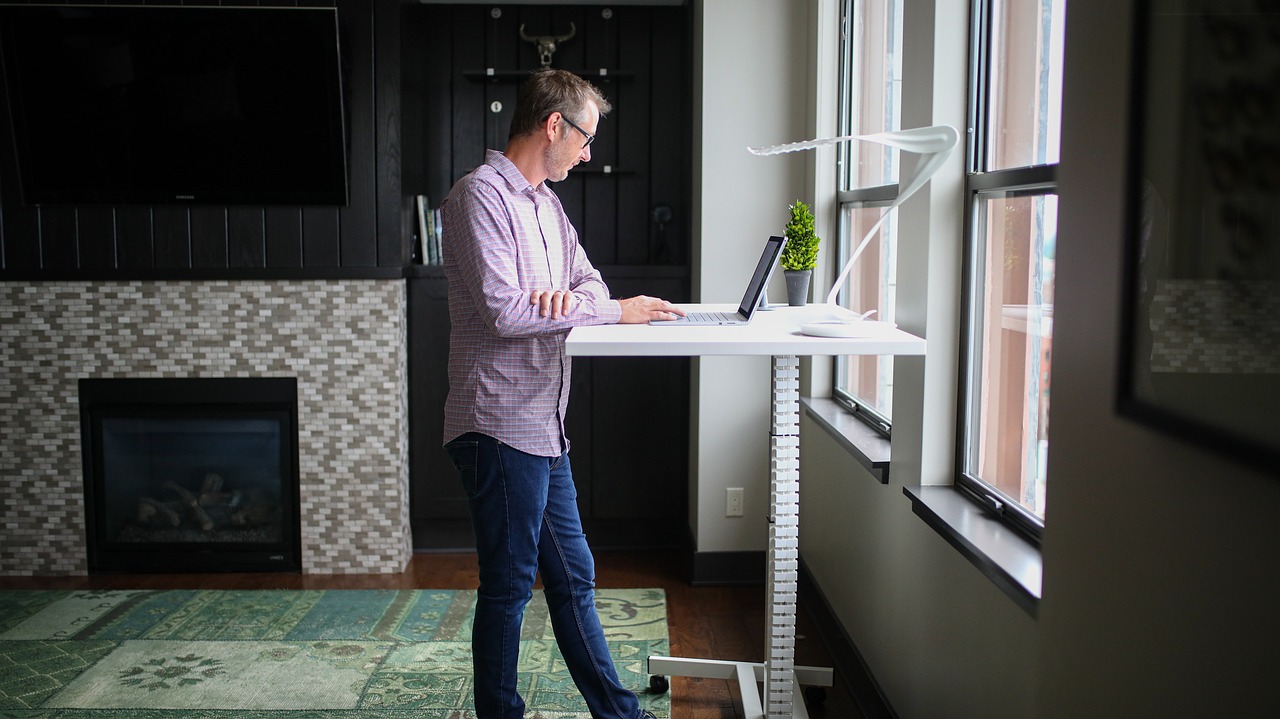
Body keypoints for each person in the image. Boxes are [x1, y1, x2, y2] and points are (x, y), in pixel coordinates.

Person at [439, 68, 683, 719]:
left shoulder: (546, 204)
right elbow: (505, 311)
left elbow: (590, 284)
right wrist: (591, 307)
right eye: (585, 137)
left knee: (572, 576)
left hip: (542, 425)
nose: (588, 152)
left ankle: (619, 713)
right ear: (555, 124)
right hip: (495, 424)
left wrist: (573, 301)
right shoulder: (477, 197)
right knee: (510, 585)